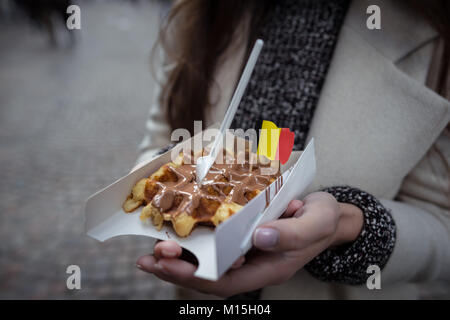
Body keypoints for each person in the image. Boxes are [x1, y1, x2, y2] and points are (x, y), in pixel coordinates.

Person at [134, 0, 450, 299]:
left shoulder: (434, 31)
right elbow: (158, 141)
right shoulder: (199, 8)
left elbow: (442, 224)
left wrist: (350, 226)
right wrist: (174, 181)